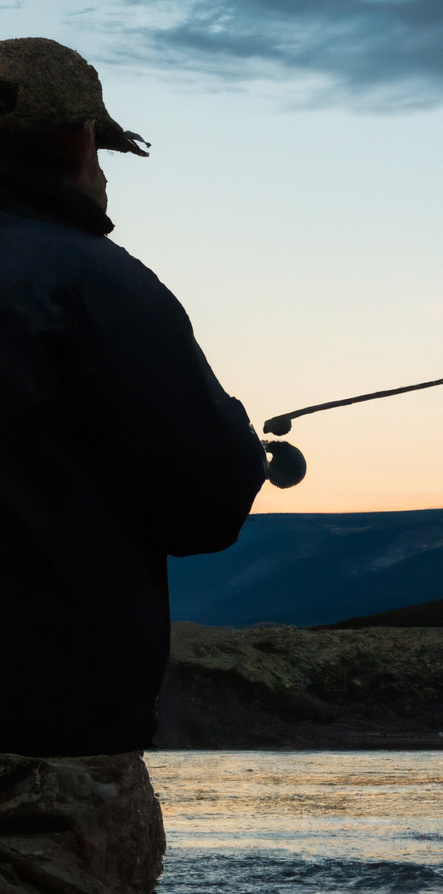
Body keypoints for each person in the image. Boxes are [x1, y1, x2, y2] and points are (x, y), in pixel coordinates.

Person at [0, 37, 268, 758]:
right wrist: (242, 443)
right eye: (101, 148)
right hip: (44, 746)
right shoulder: (97, 284)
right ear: (78, 140)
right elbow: (204, 505)